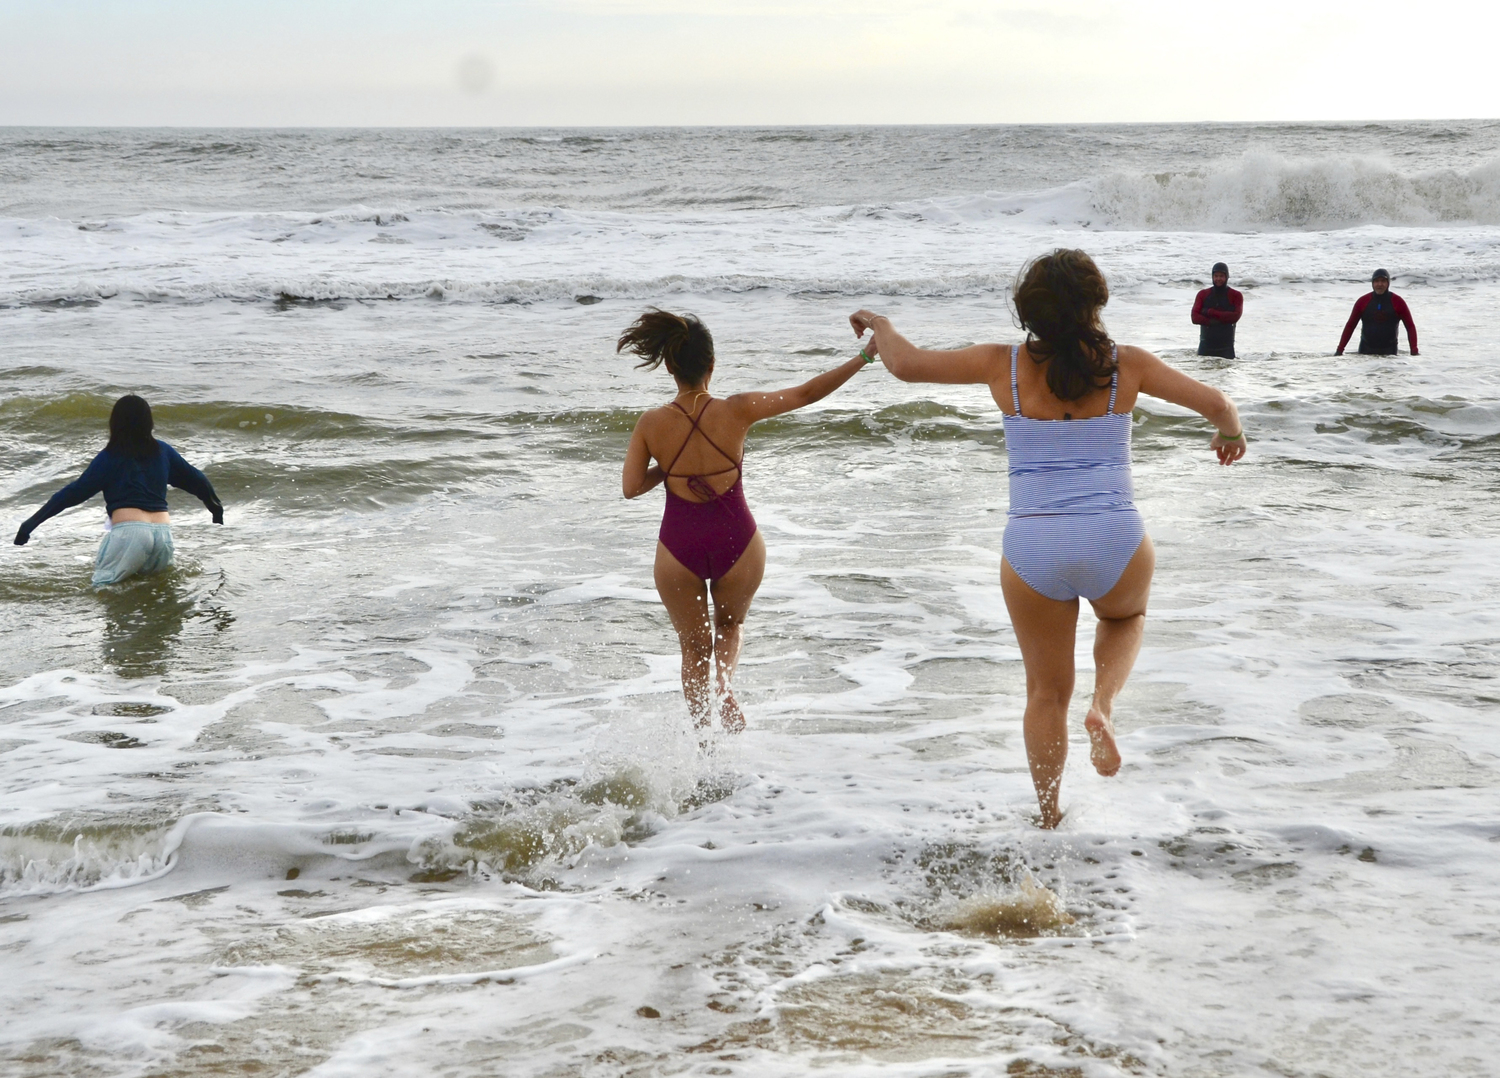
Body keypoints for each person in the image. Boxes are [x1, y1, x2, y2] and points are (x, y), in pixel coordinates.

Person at [849, 249, 1246, 828]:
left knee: (1044, 694)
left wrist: (882, 327)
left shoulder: (1000, 364)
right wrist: (1230, 434)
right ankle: (1104, 707)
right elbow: (1218, 403)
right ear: (1096, 304)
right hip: (1114, 535)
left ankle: (1048, 816)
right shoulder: (1127, 364)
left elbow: (907, 366)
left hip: (1035, 545)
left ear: (1027, 309)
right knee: (1123, 620)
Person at [620, 309, 875, 732]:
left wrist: (670, 466)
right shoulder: (737, 410)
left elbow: (630, 487)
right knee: (730, 626)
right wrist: (865, 357)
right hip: (737, 542)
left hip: (677, 549)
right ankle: (724, 689)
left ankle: (703, 742)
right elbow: (808, 393)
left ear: (668, 367)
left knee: (692, 648)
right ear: (712, 365)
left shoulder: (651, 422)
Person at [13, 394, 223, 586]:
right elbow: (197, 480)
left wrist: (30, 523)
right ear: (149, 422)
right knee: (154, 590)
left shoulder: (111, 456)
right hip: (163, 535)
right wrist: (215, 508)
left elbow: (74, 493)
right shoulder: (163, 452)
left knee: (103, 588)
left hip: (130, 533)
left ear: (115, 423)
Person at [1336, 269, 1418, 355]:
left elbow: (1410, 326)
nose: (1380, 284)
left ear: (1388, 283)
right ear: (1372, 283)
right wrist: (1339, 350)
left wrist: (1414, 350)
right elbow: (1350, 326)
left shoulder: (1398, 302)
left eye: (1383, 281)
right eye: (1376, 281)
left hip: (1390, 355)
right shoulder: (1363, 301)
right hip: (1365, 353)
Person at [1191, 261, 1243, 358]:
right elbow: (1194, 317)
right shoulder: (1203, 294)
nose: (1218, 279)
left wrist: (1209, 312)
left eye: (1221, 276)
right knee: (1202, 372)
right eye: (1216, 276)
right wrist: (1212, 322)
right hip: (1205, 345)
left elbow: (1235, 316)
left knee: (1225, 372)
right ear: (1212, 277)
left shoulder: (1236, 295)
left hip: (1226, 347)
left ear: (1227, 277)